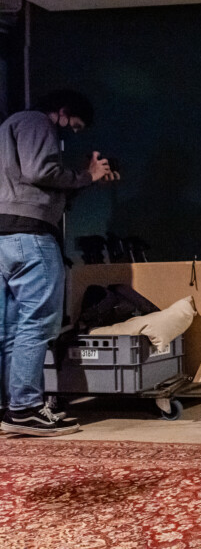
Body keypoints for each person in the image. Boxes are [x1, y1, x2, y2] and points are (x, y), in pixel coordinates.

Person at [1, 90, 119, 436]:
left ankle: (12, 407)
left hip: (5, 235)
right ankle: (24, 408)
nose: (72, 133)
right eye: (74, 125)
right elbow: (40, 171)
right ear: (63, 111)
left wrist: (83, 179)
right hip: (31, 237)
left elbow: (31, 181)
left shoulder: (9, 126)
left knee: (11, 329)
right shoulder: (37, 121)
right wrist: (86, 176)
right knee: (37, 322)